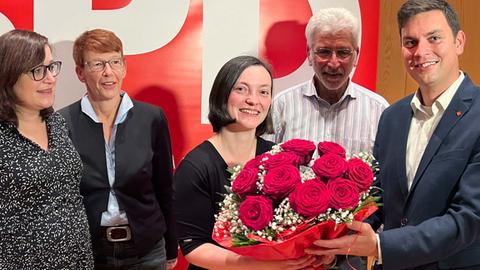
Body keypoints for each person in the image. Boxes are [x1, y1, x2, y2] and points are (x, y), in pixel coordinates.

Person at [305, 0, 480, 269]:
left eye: (434, 38)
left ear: (459, 42)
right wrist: (337, 248)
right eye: (410, 42)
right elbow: (376, 200)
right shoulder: (392, 117)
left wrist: (379, 245)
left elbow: (471, 218)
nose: (420, 51)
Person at [174, 56, 329, 270]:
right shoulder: (196, 166)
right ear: (222, 93)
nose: (253, 100)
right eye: (242, 89)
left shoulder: (278, 156)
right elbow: (195, 248)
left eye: (263, 92)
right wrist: (259, 265)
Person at [59, 29, 177, 269]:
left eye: (114, 61)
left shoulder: (151, 118)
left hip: (147, 251)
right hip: (89, 252)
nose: (108, 72)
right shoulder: (62, 123)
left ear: (124, 66)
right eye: (98, 64)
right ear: (80, 73)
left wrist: (171, 243)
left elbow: (165, 187)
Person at [0, 29, 94, 269]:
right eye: (38, 71)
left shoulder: (56, 122)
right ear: (9, 75)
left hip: (76, 261)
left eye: (51, 67)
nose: (50, 78)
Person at [267, 8, 388, 154]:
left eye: (343, 52)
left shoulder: (378, 110)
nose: (333, 63)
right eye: (324, 52)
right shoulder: (282, 105)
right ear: (309, 54)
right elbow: (265, 165)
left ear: (356, 55)